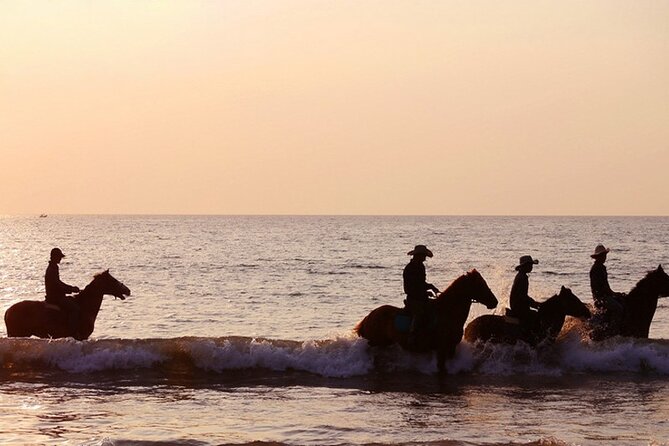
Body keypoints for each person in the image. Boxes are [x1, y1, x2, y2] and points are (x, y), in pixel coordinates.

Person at [403, 245, 440, 336]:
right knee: (419, 314)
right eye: (423, 256)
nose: (424, 258)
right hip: (414, 298)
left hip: (420, 297)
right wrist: (428, 288)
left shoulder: (420, 266)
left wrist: (428, 289)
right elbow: (413, 286)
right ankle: (412, 334)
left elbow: (420, 284)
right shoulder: (410, 268)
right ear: (418, 256)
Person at [45, 248, 81, 336]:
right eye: (59, 257)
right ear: (54, 257)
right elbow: (57, 284)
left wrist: (70, 289)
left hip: (55, 295)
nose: (60, 259)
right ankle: (72, 332)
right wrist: (71, 289)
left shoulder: (53, 267)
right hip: (55, 297)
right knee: (75, 309)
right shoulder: (52, 268)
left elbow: (58, 283)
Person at [589, 244, 624, 327]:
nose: (605, 257)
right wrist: (614, 294)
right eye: (603, 255)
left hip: (603, 296)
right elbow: (604, 287)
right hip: (601, 297)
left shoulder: (600, 267)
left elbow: (606, 286)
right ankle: (613, 328)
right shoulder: (597, 268)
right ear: (598, 257)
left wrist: (614, 293)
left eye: (605, 255)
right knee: (619, 309)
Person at [509, 255, 541, 331]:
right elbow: (522, 296)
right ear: (525, 266)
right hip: (519, 307)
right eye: (530, 265)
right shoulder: (522, 278)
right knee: (536, 317)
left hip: (516, 305)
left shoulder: (521, 276)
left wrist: (533, 303)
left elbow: (522, 296)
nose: (531, 267)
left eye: (531, 265)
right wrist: (534, 304)